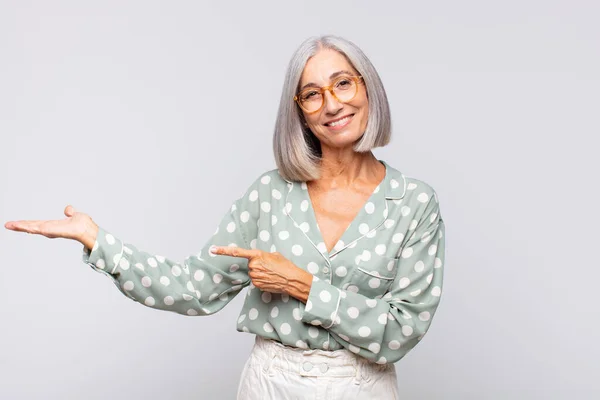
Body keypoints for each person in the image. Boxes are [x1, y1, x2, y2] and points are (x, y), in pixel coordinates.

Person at [5, 35, 446, 399]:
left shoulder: (413, 204)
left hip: (361, 387)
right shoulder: (270, 194)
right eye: (312, 94)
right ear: (300, 114)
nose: (331, 105)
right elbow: (194, 289)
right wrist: (98, 240)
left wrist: (302, 285)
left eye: (343, 84)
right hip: (271, 384)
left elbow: (400, 332)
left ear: (368, 88)